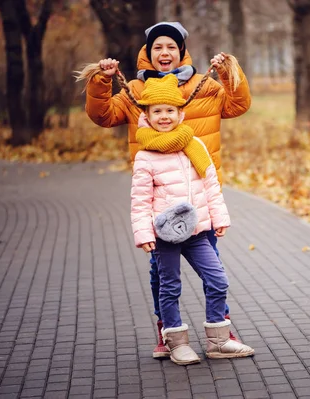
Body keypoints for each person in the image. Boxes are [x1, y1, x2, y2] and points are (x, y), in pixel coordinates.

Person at [77, 21, 251, 359]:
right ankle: (167, 333)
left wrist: (230, 71)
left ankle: (221, 327)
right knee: (162, 275)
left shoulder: (204, 87)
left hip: (199, 197)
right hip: (159, 201)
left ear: (181, 51)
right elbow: (102, 115)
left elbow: (237, 105)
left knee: (213, 269)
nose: (165, 52)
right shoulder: (136, 94)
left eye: (171, 46)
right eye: (158, 47)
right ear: (148, 53)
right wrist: (102, 80)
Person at [130, 74, 254, 365]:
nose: (164, 116)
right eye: (157, 111)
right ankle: (176, 342)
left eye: (170, 110)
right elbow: (140, 200)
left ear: (181, 113)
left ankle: (219, 340)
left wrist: (219, 217)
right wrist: (144, 234)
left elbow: (211, 185)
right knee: (169, 286)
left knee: (217, 279)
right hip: (165, 235)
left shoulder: (195, 145)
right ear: (146, 115)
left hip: (198, 231)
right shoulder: (145, 155)